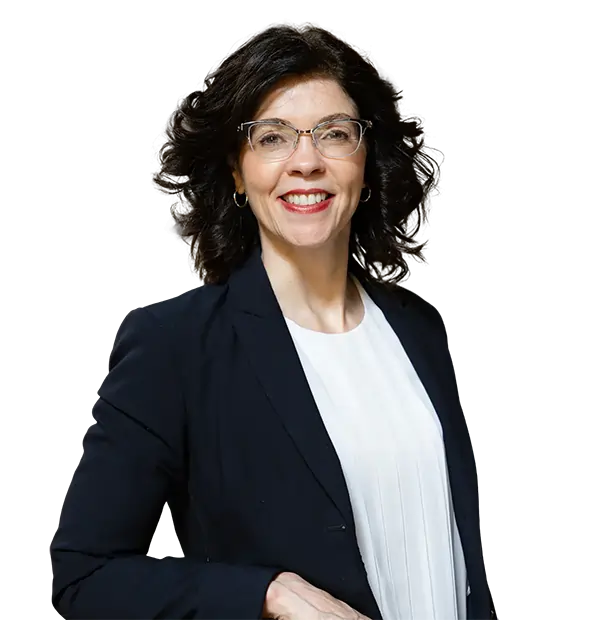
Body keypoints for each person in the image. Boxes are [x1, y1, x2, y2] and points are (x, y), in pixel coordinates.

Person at [50, 20, 490, 620]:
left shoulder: (417, 329)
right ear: (237, 170)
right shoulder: (176, 347)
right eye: (272, 137)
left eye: (334, 134)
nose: (306, 162)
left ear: (366, 162)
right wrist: (265, 594)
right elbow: (84, 577)